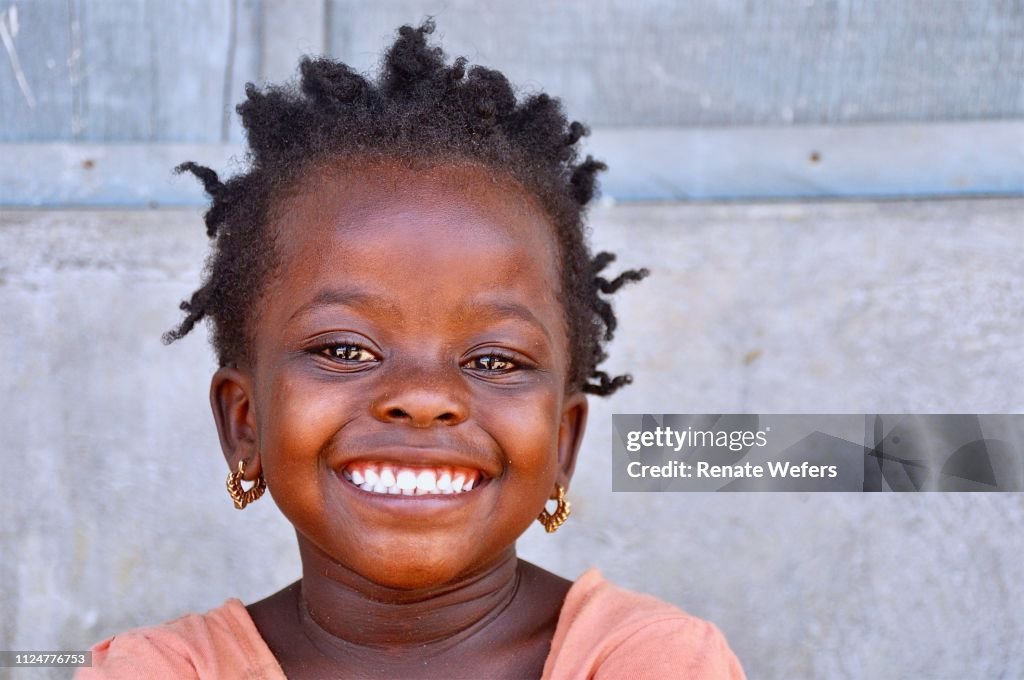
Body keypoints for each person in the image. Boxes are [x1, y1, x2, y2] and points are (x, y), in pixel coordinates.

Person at [77, 21, 745, 680]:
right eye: (345, 349)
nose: (424, 398)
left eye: (494, 361)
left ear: (564, 442)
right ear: (244, 420)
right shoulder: (163, 670)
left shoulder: (653, 662)